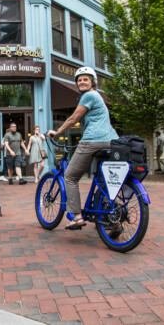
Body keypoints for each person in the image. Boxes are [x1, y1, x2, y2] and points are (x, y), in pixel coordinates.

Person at [47, 66, 118, 230]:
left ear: (93, 82)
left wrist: (57, 132)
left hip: (93, 140)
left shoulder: (89, 96)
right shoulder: (97, 97)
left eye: (86, 79)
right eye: (79, 80)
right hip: (111, 141)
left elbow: (73, 119)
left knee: (70, 177)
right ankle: (107, 215)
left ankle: (77, 217)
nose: (82, 82)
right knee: (103, 179)